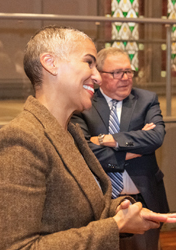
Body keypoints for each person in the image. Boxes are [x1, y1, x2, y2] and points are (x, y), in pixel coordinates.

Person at [0, 25, 176, 250]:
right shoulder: (19, 141)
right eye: (88, 62)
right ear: (50, 63)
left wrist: (121, 209)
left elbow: (85, 206)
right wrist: (115, 225)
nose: (96, 76)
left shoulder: (69, 133)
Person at [70, 47, 169, 250]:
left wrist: (107, 139)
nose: (124, 78)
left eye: (128, 71)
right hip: (101, 201)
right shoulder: (83, 103)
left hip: (143, 198)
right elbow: (85, 150)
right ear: (99, 75)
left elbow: (156, 138)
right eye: (116, 72)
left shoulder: (146, 100)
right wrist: (139, 145)